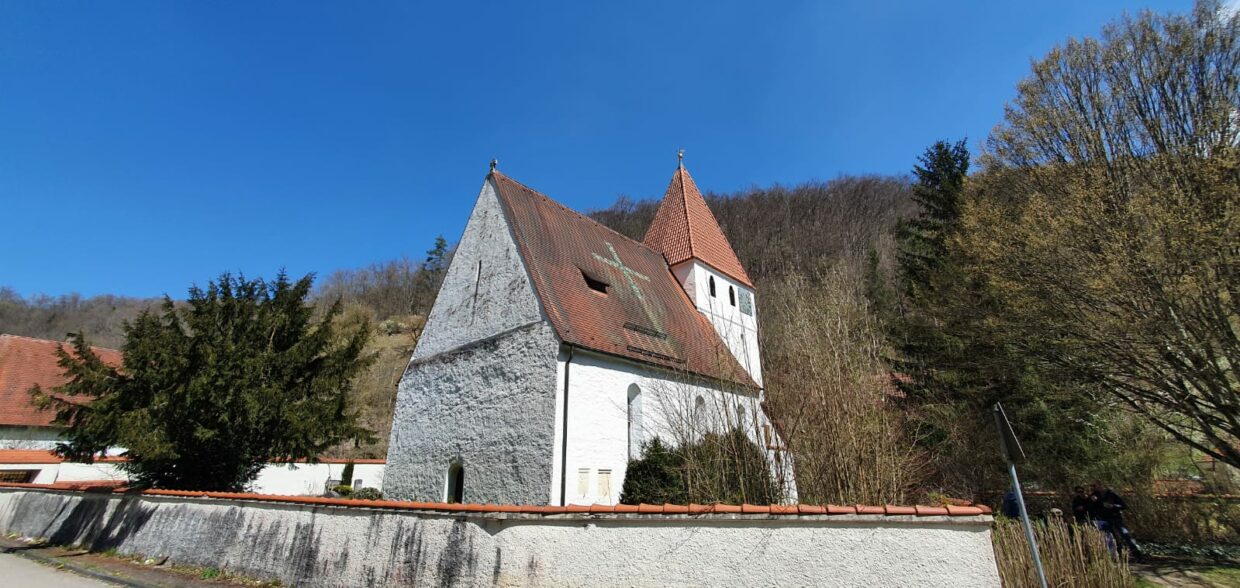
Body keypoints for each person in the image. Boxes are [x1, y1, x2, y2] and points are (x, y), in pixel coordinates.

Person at [1089, 481, 1144, 560]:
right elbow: (1091, 509)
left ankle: (1138, 555)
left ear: (1100, 485)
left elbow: (1123, 506)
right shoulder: (1093, 496)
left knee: (1125, 535)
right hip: (1104, 520)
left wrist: (1113, 506)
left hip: (1115, 518)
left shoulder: (1111, 494)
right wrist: (1092, 502)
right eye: (1092, 486)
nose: (1093, 488)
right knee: (1112, 539)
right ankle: (1119, 556)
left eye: (1094, 485)